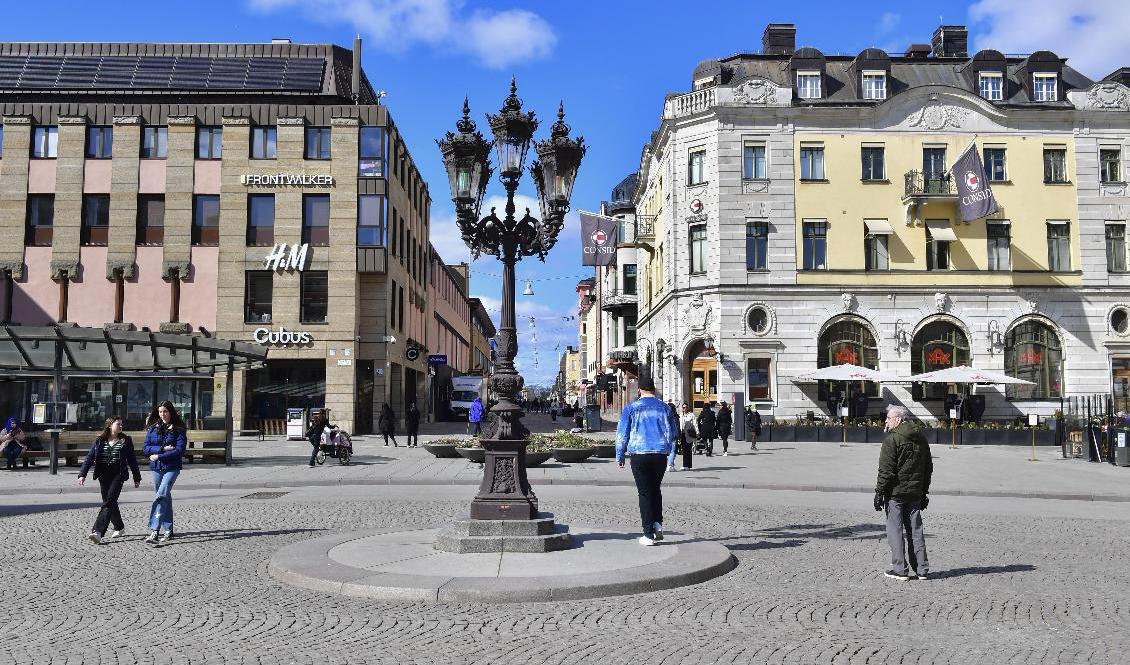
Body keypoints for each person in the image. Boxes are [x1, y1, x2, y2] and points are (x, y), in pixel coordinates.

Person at [615, 375, 677, 546]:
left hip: (639, 454)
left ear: (640, 389)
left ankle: (648, 534)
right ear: (654, 389)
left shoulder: (632, 408)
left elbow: (622, 434)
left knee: (644, 493)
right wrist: (670, 455)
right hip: (659, 455)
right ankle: (657, 523)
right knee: (655, 489)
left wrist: (620, 454)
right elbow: (672, 434)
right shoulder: (665, 408)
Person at [874, 405, 932, 581]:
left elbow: (886, 471)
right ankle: (922, 569)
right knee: (915, 530)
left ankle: (900, 570)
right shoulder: (921, 438)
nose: (886, 421)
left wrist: (879, 492)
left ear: (898, 420)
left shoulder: (892, 440)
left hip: (896, 493)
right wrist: (923, 492)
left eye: (888, 418)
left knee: (895, 530)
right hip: (915, 492)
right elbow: (928, 468)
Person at [78, 416, 142, 544]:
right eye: (118, 424)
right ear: (110, 425)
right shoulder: (100, 440)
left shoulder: (126, 440)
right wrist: (82, 474)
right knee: (110, 502)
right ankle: (119, 527)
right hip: (103, 474)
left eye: (121, 424)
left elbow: (132, 460)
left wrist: (136, 477)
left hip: (118, 475)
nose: (121, 426)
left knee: (108, 502)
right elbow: (90, 457)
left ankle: (97, 531)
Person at [142, 400, 187, 545]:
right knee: (164, 497)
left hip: (172, 467)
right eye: (160, 412)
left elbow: (179, 451)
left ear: (171, 412)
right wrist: (160, 450)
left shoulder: (179, 429)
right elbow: (146, 448)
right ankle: (168, 529)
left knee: (160, 495)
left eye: (165, 411)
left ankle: (154, 530)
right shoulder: (153, 428)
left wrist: (159, 456)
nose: (163, 414)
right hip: (156, 468)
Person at [679, 403, 696, 470]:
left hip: (689, 434)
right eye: (683, 407)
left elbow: (695, 424)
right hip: (682, 433)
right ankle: (685, 465)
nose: (684, 409)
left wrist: (697, 432)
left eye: (686, 407)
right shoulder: (680, 415)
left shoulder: (691, 415)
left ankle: (688, 465)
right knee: (684, 450)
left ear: (688, 408)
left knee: (688, 450)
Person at [665, 401, 679, 472]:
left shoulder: (665, 415)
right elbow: (676, 426)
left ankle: (671, 465)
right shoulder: (674, 416)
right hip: (673, 435)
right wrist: (677, 435)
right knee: (672, 451)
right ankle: (670, 465)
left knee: (667, 451)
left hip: (665, 435)